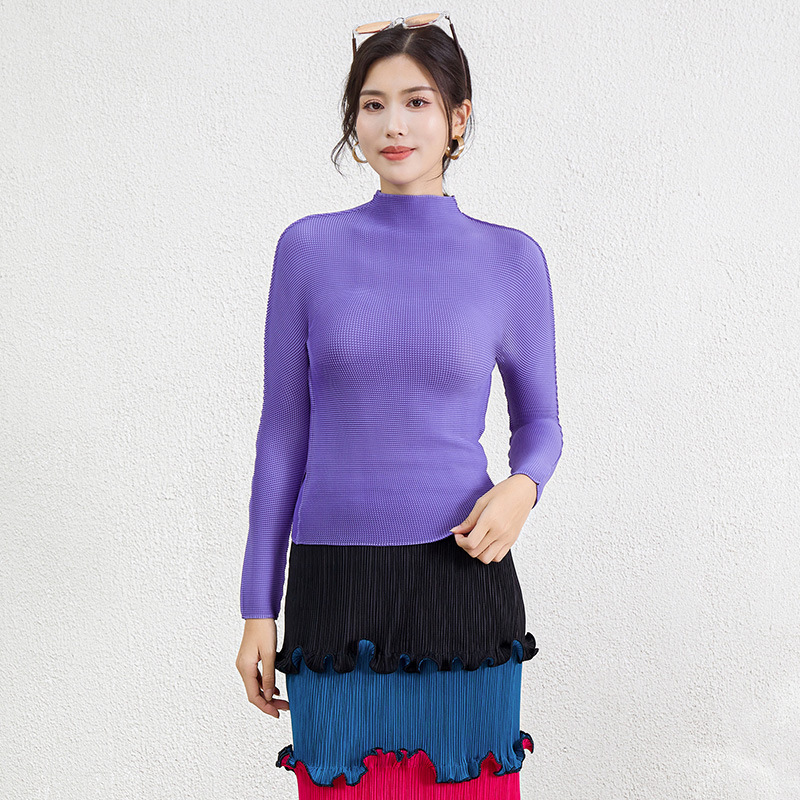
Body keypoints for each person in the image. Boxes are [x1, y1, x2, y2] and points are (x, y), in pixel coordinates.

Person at [235, 13, 563, 798]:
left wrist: (523, 487)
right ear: (353, 121)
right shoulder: (307, 249)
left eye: (417, 102)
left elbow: (541, 422)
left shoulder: (510, 259)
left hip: (461, 574)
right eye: (373, 104)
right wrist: (257, 606)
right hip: (333, 586)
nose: (394, 125)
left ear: (458, 118)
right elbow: (282, 435)